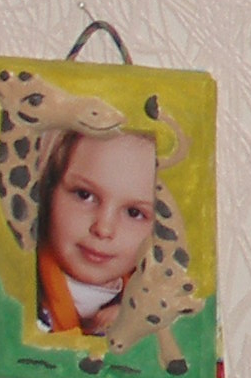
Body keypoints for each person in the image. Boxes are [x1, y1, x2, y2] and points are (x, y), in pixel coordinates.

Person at [35, 126, 159, 336]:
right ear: (49, 189)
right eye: (84, 195)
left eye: (134, 213)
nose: (103, 228)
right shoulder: (18, 291)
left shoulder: (154, 306)